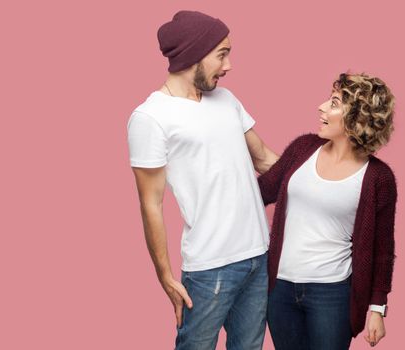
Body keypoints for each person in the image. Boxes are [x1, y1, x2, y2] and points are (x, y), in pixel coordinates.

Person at [127, 10, 278, 350]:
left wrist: (328, 169)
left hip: (258, 256)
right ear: (193, 54)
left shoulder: (226, 100)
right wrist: (165, 275)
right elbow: (150, 203)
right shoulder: (150, 118)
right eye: (222, 54)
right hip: (211, 268)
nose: (228, 66)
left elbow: (265, 159)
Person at [259, 73, 397, 349]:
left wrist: (377, 309)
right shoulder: (304, 148)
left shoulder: (378, 178)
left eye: (334, 103)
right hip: (280, 288)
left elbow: (383, 250)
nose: (321, 107)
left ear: (357, 119)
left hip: (332, 295)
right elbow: (261, 191)